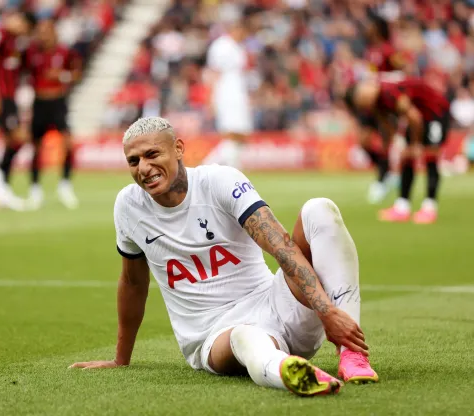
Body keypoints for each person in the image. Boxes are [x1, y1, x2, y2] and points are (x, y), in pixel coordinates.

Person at [70, 117, 378, 396]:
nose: (143, 168)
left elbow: (281, 246)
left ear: (178, 148)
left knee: (319, 209)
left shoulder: (220, 181)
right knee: (246, 337)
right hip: (212, 335)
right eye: (133, 161)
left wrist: (327, 313)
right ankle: (288, 372)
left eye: (152, 155)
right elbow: (133, 283)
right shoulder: (128, 206)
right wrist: (120, 359)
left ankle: (353, 354)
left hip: (276, 304)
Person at [346, 77, 451, 224]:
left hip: (435, 111)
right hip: (417, 116)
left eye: (364, 96)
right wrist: (394, 143)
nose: (365, 101)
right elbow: (387, 125)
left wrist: (414, 144)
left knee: (430, 157)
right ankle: (402, 207)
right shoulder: (377, 104)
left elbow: (414, 117)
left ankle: (429, 208)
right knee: (406, 157)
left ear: (368, 86)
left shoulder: (388, 92)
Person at [24, 17, 82, 210]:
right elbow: (23, 72)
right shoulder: (31, 52)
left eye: (46, 31)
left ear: (54, 32)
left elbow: (76, 73)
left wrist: (61, 76)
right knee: (36, 147)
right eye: (40, 31)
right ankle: (35, 189)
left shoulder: (65, 52)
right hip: (39, 102)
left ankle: (65, 185)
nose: (43, 35)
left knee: (67, 142)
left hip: (58, 101)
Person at [0, 10, 36, 211]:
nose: (23, 31)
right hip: (2, 96)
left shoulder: (15, 41)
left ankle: (0, 186)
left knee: (13, 140)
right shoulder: (0, 34)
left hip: (11, 97)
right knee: (18, 137)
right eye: (24, 26)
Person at [356, 10, 407, 204]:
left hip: (385, 102)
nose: (367, 29)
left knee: (387, 141)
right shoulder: (370, 51)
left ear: (377, 28)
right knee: (363, 140)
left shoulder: (389, 50)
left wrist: (380, 80)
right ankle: (385, 173)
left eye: (370, 26)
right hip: (371, 103)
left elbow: (404, 73)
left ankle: (383, 179)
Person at [201, 19, 253, 170]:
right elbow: (214, 72)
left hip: (238, 92)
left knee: (242, 134)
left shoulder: (237, 47)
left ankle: (226, 165)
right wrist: (210, 98)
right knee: (232, 132)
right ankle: (209, 165)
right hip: (226, 92)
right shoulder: (221, 46)